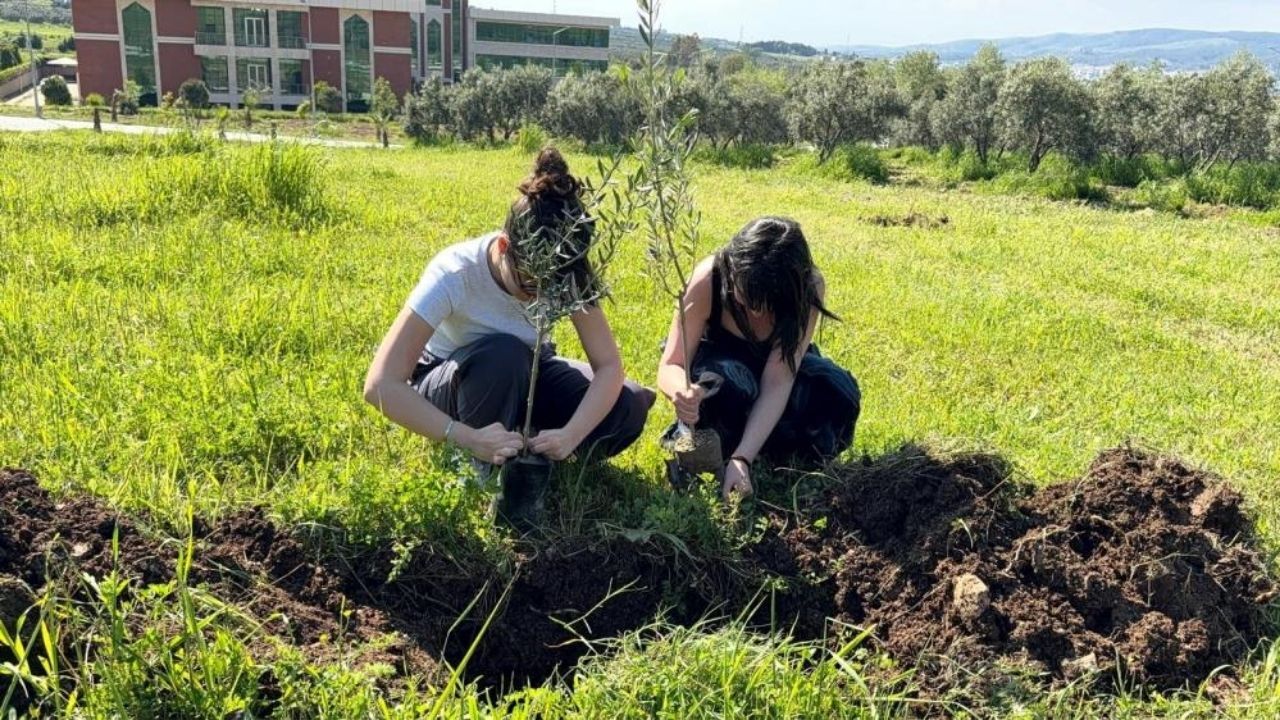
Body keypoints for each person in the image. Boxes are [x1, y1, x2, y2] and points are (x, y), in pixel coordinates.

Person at [363, 148, 655, 479]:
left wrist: (571, 434)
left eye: (553, 290)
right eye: (532, 286)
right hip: (454, 384)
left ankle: (529, 447)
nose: (541, 298)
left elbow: (609, 366)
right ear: (504, 248)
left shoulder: (566, 272)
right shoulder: (455, 273)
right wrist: (466, 437)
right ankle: (485, 464)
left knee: (629, 402)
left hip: (527, 372)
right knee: (504, 352)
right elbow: (380, 384)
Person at [657, 216, 861, 499]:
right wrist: (682, 391)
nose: (756, 314)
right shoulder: (708, 279)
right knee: (730, 388)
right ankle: (706, 454)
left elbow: (778, 381)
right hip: (720, 361)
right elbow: (672, 364)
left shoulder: (809, 288)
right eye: (746, 300)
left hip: (774, 368)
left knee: (837, 393)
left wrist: (743, 458)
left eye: (770, 305)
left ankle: (763, 456)